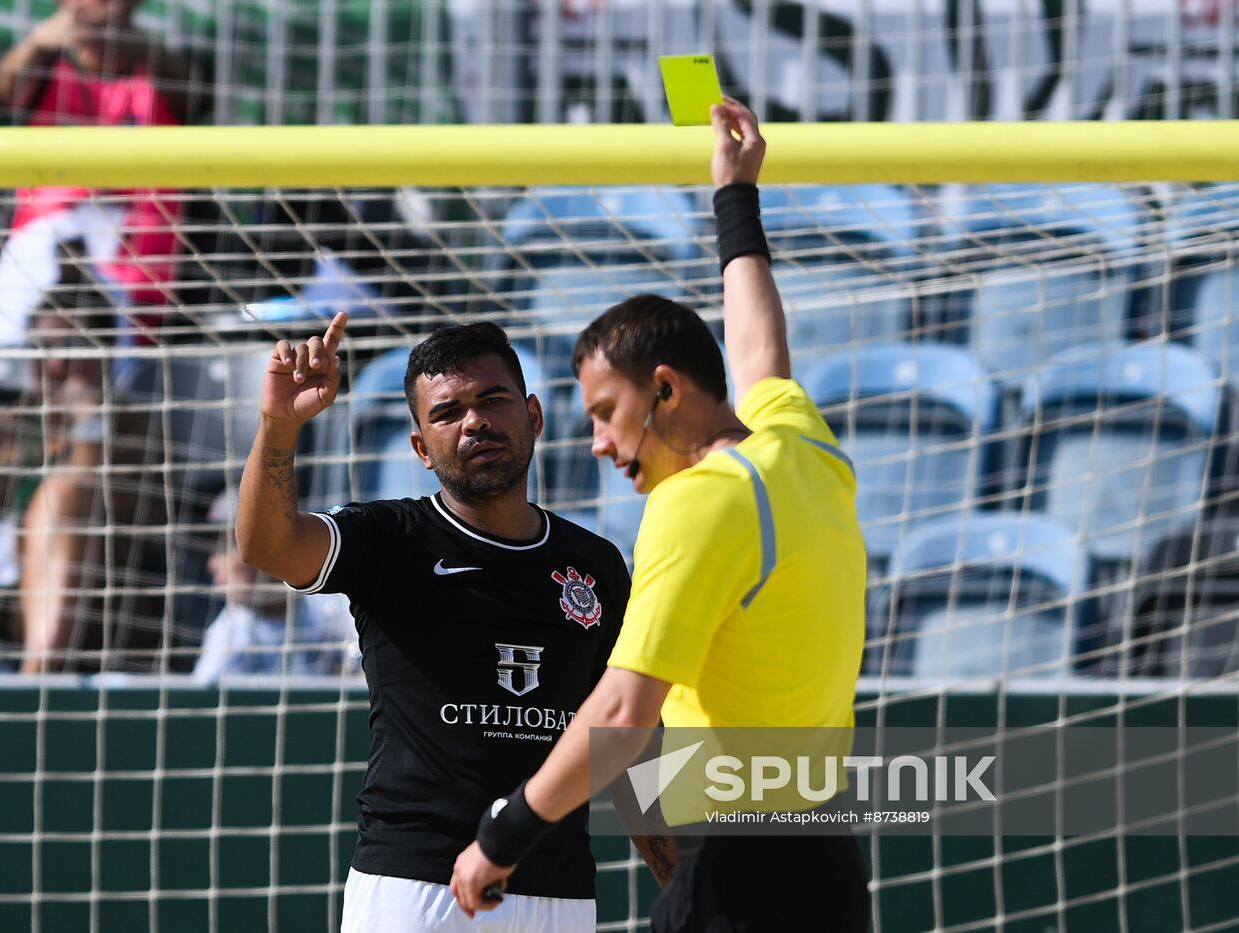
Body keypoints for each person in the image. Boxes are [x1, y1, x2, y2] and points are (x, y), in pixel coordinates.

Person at [449, 96, 871, 931]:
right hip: (825, 858)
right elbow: (757, 349)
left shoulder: (698, 500)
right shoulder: (798, 439)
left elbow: (620, 711)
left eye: (607, 412)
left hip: (740, 869)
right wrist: (734, 199)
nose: (600, 443)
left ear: (667, 390)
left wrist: (503, 834)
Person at [236, 315, 647, 931]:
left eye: (492, 400)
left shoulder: (595, 564)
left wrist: (685, 879)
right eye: (448, 412)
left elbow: (625, 734)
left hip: (561, 893)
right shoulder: (389, 538)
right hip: (415, 889)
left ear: (533, 417)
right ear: (422, 449)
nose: (474, 421)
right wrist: (279, 425)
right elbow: (270, 546)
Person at [0, 272, 168, 672]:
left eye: (73, 348)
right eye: (44, 348)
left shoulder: (134, 430)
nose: (56, 364)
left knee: (62, 496)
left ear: (107, 354)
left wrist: (89, 427)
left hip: (95, 610)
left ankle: (36, 685)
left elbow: (130, 521)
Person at [0, 0, 198, 349]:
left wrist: (126, 36)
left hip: (134, 238)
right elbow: (6, 92)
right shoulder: (46, 61)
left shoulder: (159, 65)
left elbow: (191, 99)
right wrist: (39, 41)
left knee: (114, 341)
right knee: (5, 331)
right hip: (51, 228)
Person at [193, 487, 358, 681]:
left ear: (267, 544)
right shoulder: (229, 634)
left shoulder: (330, 601)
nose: (212, 564)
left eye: (225, 547)